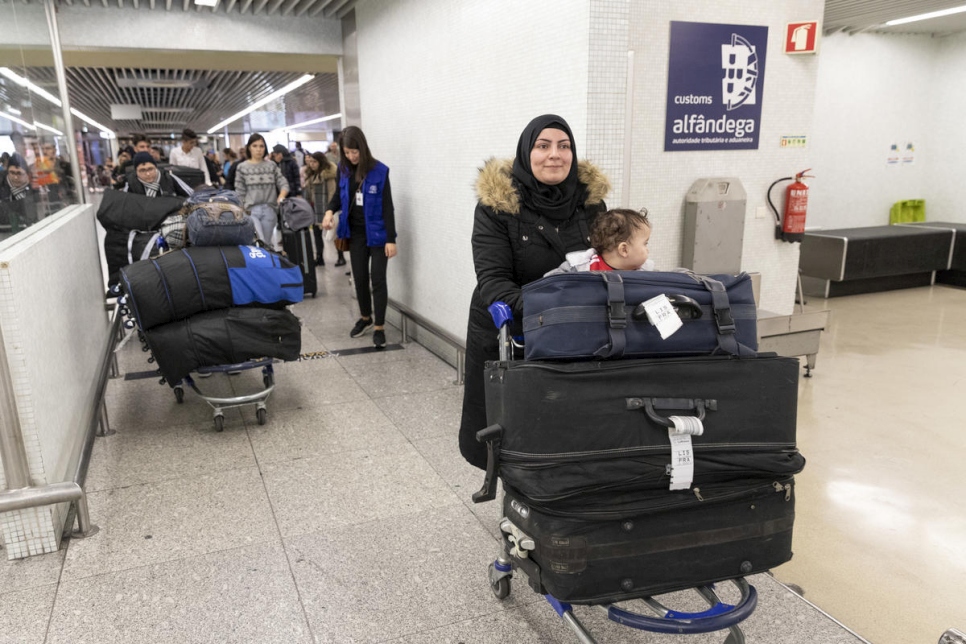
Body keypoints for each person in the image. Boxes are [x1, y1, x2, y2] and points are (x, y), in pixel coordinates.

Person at [458, 114, 610, 470]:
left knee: (569, 428)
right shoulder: (498, 207)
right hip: (515, 329)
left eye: (564, 146)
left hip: (576, 335)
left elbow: (607, 262)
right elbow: (493, 281)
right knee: (515, 431)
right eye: (543, 146)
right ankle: (516, 502)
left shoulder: (591, 204)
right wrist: (555, 308)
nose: (554, 155)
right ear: (527, 153)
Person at [321, 126, 397, 350]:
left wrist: (391, 239)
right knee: (360, 278)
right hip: (354, 233)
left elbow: (387, 207)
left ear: (363, 148)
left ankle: (380, 327)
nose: (352, 156)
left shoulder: (379, 171)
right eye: (347, 152)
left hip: (379, 234)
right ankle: (366, 318)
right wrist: (328, 212)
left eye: (355, 152)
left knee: (378, 279)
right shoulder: (343, 170)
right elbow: (337, 196)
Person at [546, 207, 653, 274]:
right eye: (645, 243)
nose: (648, 250)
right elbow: (548, 284)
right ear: (624, 249)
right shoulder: (579, 267)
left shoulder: (648, 274)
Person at [235, 133, 289, 246]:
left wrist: (281, 196)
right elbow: (239, 192)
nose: (258, 149)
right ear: (249, 147)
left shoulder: (271, 165)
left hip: (269, 209)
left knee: (267, 243)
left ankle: (269, 262)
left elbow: (283, 183)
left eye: (261, 146)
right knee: (259, 241)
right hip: (250, 211)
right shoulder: (242, 167)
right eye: (255, 146)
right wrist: (240, 211)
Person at [302, 151, 343, 267]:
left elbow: (332, 191)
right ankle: (319, 257)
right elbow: (309, 193)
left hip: (327, 208)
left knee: (333, 233)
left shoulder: (328, 175)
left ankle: (340, 257)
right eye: (310, 162)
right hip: (316, 208)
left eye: (314, 162)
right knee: (316, 234)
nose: (312, 164)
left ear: (320, 162)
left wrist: (331, 209)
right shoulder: (311, 175)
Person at [0, 159, 39, 239]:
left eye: (19, 173)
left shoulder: (30, 187)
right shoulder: (3, 185)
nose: (15, 177)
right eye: (12, 173)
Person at [124, 152, 192, 198]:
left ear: (156, 168)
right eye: (142, 170)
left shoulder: (168, 178)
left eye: (150, 169)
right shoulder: (131, 183)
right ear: (136, 172)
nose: (148, 174)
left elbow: (191, 195)